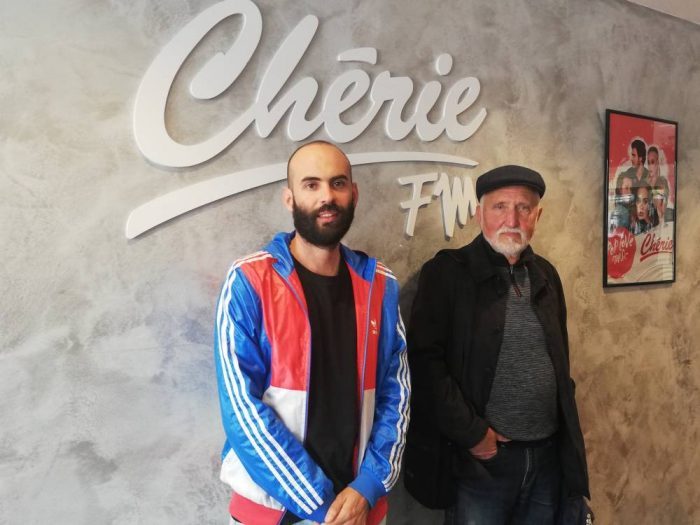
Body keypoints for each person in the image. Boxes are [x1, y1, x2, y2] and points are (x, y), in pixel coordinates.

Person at [214, 141, 410, 525]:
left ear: (354, 194)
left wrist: (368, 486)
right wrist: (322, 506)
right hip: (275, 511)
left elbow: (397, 395)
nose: (327, 197)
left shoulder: (380, 285)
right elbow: (241, 411)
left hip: (360, 508)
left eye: (338, 183)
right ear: (289, 198)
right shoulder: (250, 280)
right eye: (311, 184)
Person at [405, 165, 589, 525]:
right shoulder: (447, 273)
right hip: (482, 465)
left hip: (547, 460)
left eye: (523, 208)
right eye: (499, 207)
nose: (512, 219)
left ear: (537, 216)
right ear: (479, 213)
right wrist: (474, 435)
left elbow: (561, 361)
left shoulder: (547, 275)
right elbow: (425, 364)